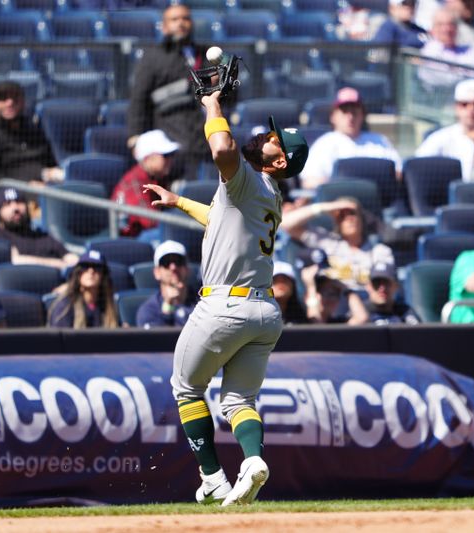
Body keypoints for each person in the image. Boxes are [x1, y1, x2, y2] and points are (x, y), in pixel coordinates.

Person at [143, 90, 310, 505]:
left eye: (274, 139)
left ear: (280, 161)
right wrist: (179, 201)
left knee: (185, 387)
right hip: (265, 312)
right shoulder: (267, 192)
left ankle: (213, 476)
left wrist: (212, 106)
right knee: (238, 400)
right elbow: (220, 217)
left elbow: (221, 147)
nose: (267, 136)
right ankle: (252, 460)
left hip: (225, 306)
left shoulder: (247, 178)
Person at [127, 4, 210, 182]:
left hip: (204, 139)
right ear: (164, 26)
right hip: (171, 139)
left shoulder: (205, 54)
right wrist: (135, 137)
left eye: (185, 19)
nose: (181, 23)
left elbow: (229, 97)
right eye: (174, 19)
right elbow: (138, 100)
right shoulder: (153, 58)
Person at [280, 197, 394, 292]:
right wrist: (328, 207)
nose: (349, 218)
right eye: (342, 216)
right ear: (337, 222)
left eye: (353, 214)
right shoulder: (327, 242)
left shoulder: (379, 251)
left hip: (368, 308)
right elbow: (286, 224)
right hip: (333, 307)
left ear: (362, 219)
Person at [298, 88, 402, 190]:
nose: (350, 117)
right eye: (344, 111)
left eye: (354, 112)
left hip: (380, 203)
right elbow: (309, 182)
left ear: (362, 115)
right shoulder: (324, 144)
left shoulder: (380, 141)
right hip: (339, 203)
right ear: (333, 116)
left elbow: (399, 173)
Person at [0, 81, 62, 185]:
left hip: (47, 184)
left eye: (15, 97)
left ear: (23, 102)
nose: (10, 103)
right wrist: (25, 184)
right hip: (12, 191)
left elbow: (50, 162)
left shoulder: (34, 131)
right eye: (3, 98)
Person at [0, 186, 78, 269]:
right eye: (7, 204)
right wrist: (59, 264)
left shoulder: (43, 236)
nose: (15, 208)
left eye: (19, 202)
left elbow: (71, 259)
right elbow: (15, 261)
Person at [111, 129, 180, 238]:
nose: (170, 160)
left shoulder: (157, 177)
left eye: (171, 155)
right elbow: (149, 221)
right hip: (131, 239)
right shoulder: (135, 181)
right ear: (148, 159)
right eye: (165, 155)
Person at [418, 7, 474, 88]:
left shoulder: (468, 50)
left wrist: (464, 72)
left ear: (457, 28)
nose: (447, 29)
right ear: (432, 29)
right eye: (441, 24)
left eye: (451, 24)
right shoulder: (430, 51)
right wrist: (473, 73)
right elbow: (445, 80)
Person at [47, 250, 119, 329]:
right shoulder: (65, 306)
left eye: (97, 267)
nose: (91, 271)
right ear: (78, 273)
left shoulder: (109, 306)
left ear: (103, 275)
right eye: (85, 266)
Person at [136, 240, 197, 329]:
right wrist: (168, 305)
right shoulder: (148, 310)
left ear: (187, 269)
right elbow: (156, 340)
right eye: (166, 262)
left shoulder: (202, 303)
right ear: (157, 272)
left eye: (178, 261)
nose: (173, 267)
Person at [349, 261, 421, 325]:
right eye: (376, 283)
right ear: (368, 287)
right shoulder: (359, 313)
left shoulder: (405, 311)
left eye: (386, 283)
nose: (382, 288)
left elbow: (419, 334)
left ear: (396, 286)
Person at [271, 260, 308, 325]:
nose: (281, 284)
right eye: (275, 280)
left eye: (285, 280)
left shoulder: (302, 317)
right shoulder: (260, 317)